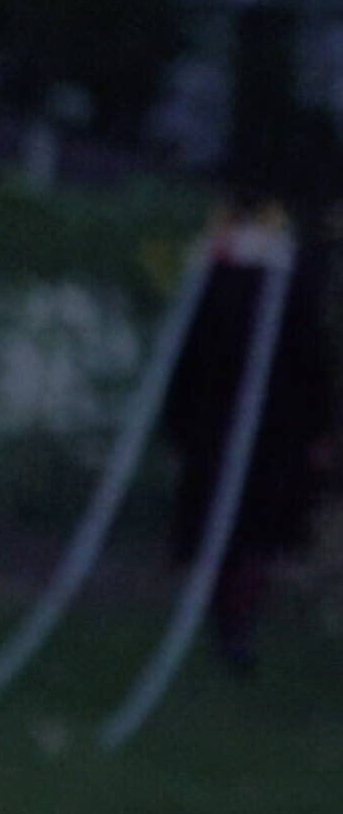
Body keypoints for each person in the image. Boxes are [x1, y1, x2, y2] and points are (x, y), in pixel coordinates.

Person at [161, 196, 337, 674]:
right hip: (222, 428)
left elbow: (310, 363)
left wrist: (318, 428)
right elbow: (190, 359)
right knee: (228, 527)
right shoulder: (223, 279)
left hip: (269, 432)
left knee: (251, 532)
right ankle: (223, 617)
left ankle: (234, 621)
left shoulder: (287, 287)